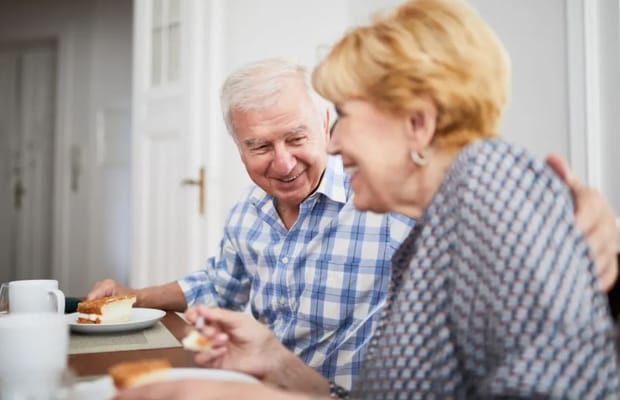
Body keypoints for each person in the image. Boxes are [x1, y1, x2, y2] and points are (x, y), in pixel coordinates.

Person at [115, 0, 620, 399]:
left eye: (344, 114)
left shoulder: (486, 185)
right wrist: (275, 358)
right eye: (261, 146)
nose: (331, 145)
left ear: (417, 124)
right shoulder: (427, 234)